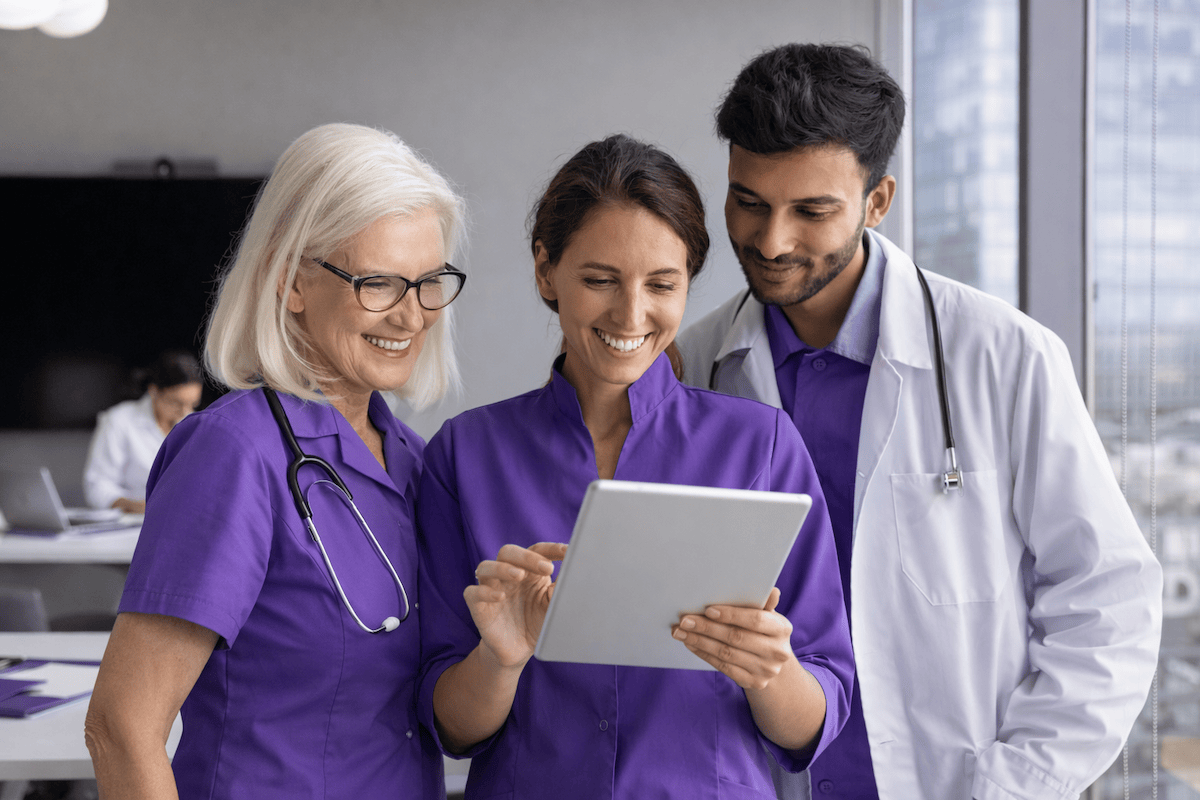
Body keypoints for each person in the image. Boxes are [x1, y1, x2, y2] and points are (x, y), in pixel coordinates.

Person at [676, 43, 1164, 799]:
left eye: (812, 211)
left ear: (878, 202)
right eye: (749, 201)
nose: (772, 241)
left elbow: (1109, 601)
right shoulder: (695, 365)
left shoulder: (1005, 357)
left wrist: (1014, 785)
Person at [417, 134, 854, 799]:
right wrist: (499, 660)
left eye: (662, 284)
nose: (631, 313)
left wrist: (769, 670)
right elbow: (450, 725)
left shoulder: (761, 444)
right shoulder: (465, 454)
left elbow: (815, 719)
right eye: (599, 280)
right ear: (545, 271)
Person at [84, 123, 466, 800]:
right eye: (378, 283)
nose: (410, 317)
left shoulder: (412, 461)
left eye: (427, 282)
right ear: (291, 282)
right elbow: (122, 727)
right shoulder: (233, 455)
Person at [82, 349, 204, 514]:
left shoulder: (195, 424)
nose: (185, 411)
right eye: (176, 402)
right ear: (154, 391)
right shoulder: (119, 421)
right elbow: (97, 485)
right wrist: (135, 506)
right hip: (134, 522)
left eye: (192, 404)